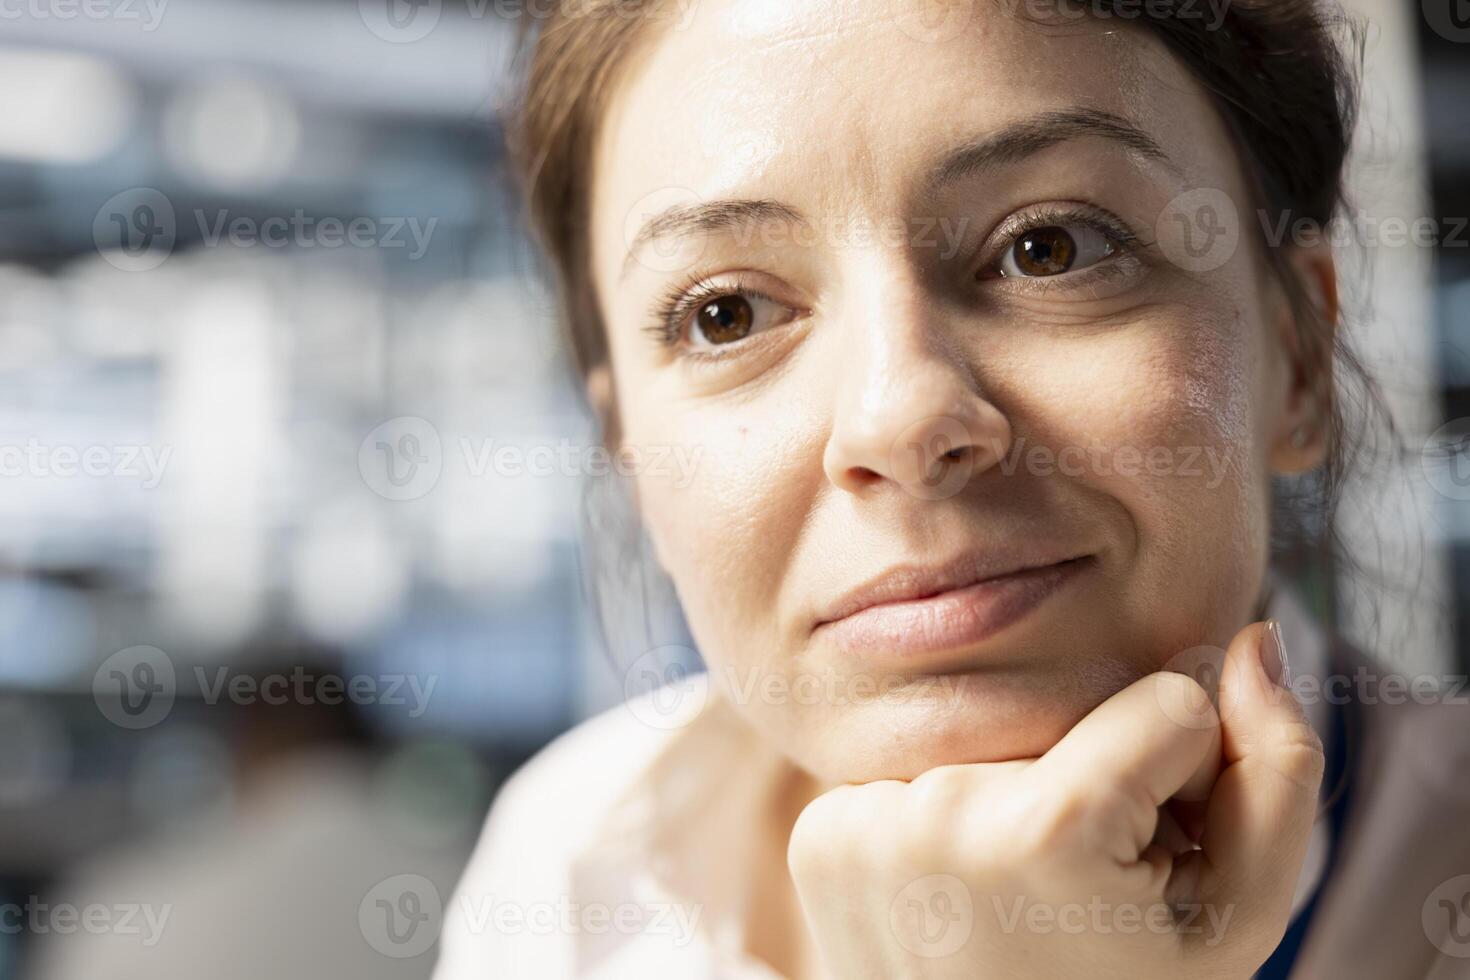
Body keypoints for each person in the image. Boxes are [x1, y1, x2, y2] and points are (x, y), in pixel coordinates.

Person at [435, 1, 1470, 977]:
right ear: (628, 452)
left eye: (1048, 247)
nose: (902, 419)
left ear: (1296, 358)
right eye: (729, 315)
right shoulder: (574, 861)